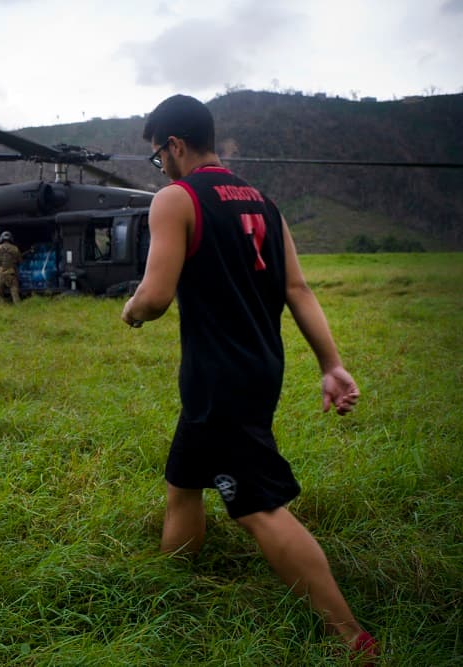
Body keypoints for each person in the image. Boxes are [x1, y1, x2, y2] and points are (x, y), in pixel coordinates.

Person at [121, 95, 378, 662]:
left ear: (175, 146)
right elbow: (297, 290)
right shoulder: (263, 201)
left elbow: (156, 297)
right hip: (260, 364)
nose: (160, 167)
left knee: (256, 505)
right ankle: (172, 582)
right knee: (184, 477)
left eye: (158, 155)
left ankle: (350, 636)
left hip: (218, 374)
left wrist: (132, 310)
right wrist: (331, 364)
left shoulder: (176, 197)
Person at [0, 230, 22, 304]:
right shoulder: (15, 249)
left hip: (1, 274)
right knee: (14, 292)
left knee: (0, 293)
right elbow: (20, 260)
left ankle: (1, 306)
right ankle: (18, 306)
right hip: (11, 274)